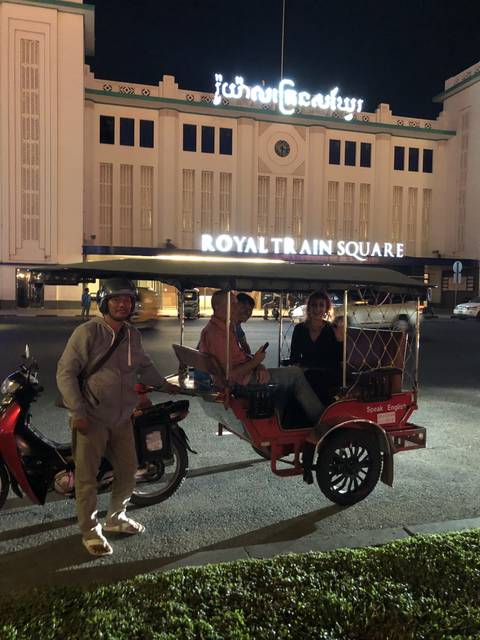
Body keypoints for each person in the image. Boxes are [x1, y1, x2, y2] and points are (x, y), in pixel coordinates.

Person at [57, 278, 177, 557]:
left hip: (123, 417)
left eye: (128, 300)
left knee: (127, 469)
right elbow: (65, 373)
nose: (123, 304)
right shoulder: (88, 332)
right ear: (104, 303)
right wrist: (78, 411)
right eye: (116, 299)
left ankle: (115, 518)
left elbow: (144, 365)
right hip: (92, 416)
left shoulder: (132, 334)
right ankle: (90, 530)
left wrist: (165, 384)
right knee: (87, 477)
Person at [198, 290, 324, 430]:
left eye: (235, 304)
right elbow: (230, 375)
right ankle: (322, 423)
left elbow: (241, 357)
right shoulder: (218, 334)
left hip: (244, 377)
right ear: (218, 306)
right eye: (233, 305)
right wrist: (256, 362)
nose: (236, 308)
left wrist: (258, 365)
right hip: (239, 384)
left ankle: (280, 423)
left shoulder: (223, 328)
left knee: (286, 380)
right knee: (295, 374)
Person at [290, 289, 344, 405]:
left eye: (321, 305)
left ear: (326, 308)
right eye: (314, 305)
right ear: (308, 307)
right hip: (307, 372)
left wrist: (340, 340)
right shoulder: (299, 329)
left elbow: (340, 358)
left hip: (328, 373)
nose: (317, 309)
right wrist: (298, 369)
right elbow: (294, 357)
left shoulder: (331, 329)